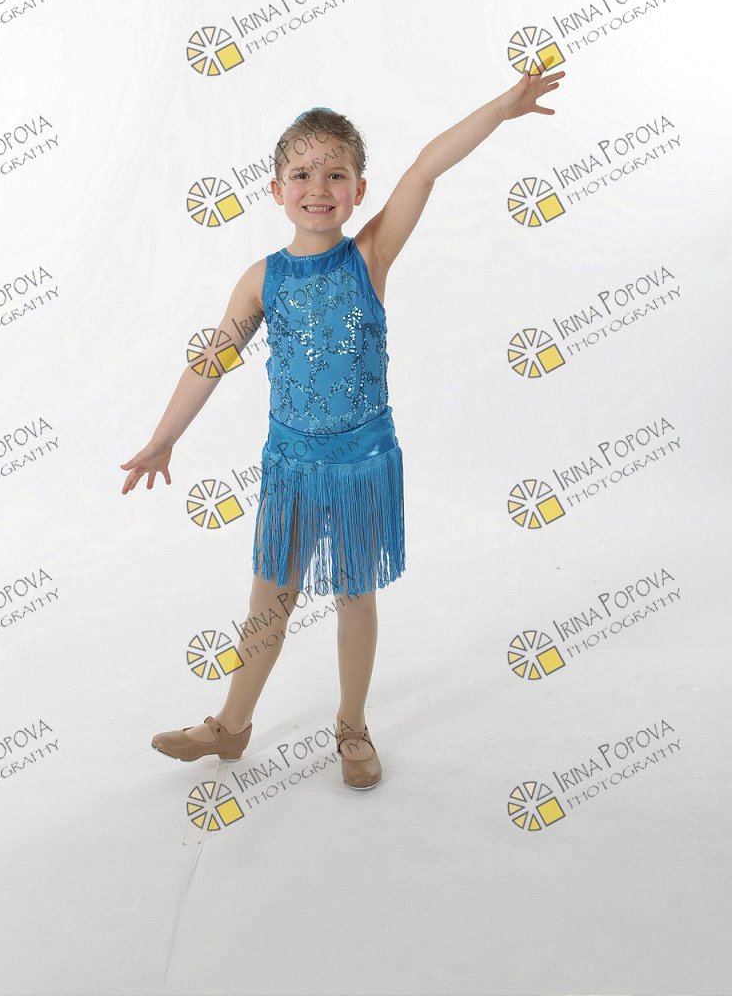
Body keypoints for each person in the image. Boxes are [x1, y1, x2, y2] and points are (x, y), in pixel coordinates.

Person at [120, 68, 565, 790]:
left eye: (336, 174)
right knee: (270, 602)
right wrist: (165, 436)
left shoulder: (369, 256)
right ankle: (231, 724)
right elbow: (212, 359)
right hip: (291, 466)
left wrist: (504, 107)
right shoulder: (262, 279)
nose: (318, 187)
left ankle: (352, 725)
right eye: (301, 174)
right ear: (276, 191)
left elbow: (426, 168)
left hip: (362, 462)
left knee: (356, 595)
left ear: (359, 189)